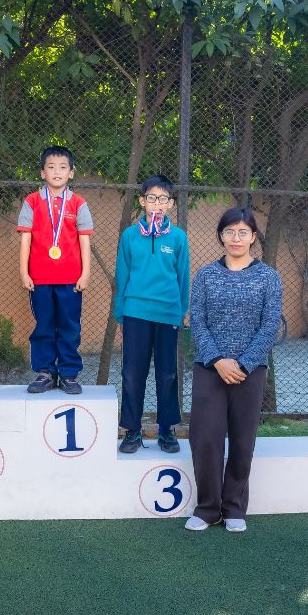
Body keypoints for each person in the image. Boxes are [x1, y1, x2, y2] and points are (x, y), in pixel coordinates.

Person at [185, 206, 281, 533]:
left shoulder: (268, 277)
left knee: (242, 441)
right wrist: (218, 360)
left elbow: (270, 325)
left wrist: (243, 364)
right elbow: (197, 321)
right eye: (229, 232)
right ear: (221, 236)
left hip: (250, 371)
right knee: (206, 439)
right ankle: (208, 509)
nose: (236, 238)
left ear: (253, 237)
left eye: (242, 232)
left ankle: (234, 508)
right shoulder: (205, 276)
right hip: (210, 368)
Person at [113, 174, 190, 454]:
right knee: (133, 373)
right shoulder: (130, 236)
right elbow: (122, 274)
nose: (157, 203)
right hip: (136, 312)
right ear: (142, 201)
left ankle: (166, 430)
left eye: (163, 199)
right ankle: (132, 430)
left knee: (167, 373)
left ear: (171, 204)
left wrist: (182, 311)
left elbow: (183, 276)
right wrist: (120, 312)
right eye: (152, 198)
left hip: (167, 314)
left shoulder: (178, 237)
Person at [18, 145, 93, 394]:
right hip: (39, 278)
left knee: (69, 326)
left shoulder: (79, 203)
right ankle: (45, 372)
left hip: (71, 279)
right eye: (51, 167)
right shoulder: (31, 202)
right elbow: (25, 239)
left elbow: (84, 240)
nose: (57, 172)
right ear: (42, 172)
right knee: (44, 325)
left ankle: (68, 373)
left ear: (71, 172)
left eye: (62, 167)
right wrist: (24, 272)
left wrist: (85, 273)